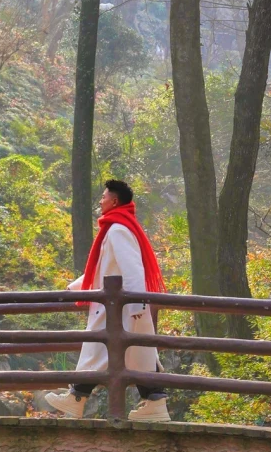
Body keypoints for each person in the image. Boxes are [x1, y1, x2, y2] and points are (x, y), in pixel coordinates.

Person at [36, 179, 170, 423]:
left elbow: (133, 269)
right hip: (119, 307)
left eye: (104, 196)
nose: (100, 200)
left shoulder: (118, 230)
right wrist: (76, 287)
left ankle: (79, 398)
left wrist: (137, 305)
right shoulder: (117, 228)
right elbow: (103, 268)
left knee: (112, 352)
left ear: (114, 201)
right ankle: (151, 404)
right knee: (125, 353)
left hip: (122, 308)